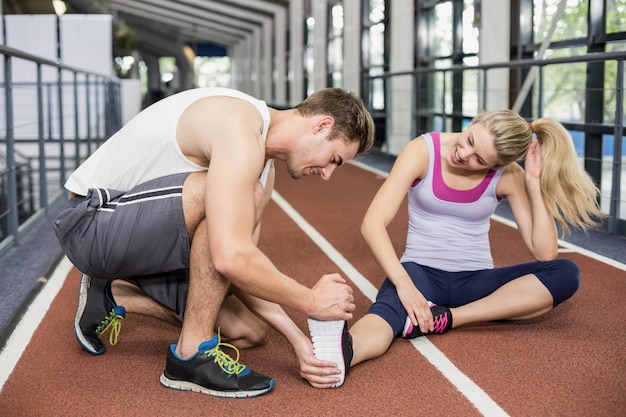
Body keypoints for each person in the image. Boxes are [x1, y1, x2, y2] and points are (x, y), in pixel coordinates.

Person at [53, 86, 375, 398]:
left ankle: (114, 294)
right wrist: (310, 301)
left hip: (143, 244)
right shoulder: (239, 126)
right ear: (322, 125)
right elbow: (230, 257)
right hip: (91, 225)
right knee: (236, 205)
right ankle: (190, 356)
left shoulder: (263, 169)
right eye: (334, 159)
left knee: (249, 330)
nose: (328, 174)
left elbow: (241, 266)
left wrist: (299, 341)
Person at [307, 109, 604, 388]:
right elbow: (372, 224)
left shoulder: (508, 175)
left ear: (496, 166)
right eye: (470, 140)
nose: (464, 154)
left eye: (479, 159)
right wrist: (406, 286)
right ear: (475, 121)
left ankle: (448, 318)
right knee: (387, 312)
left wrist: (533, 182)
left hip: (476, 281)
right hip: (420, 273)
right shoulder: (423, 151)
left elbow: (545, 252)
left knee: (565, 271)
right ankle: (343, 355)